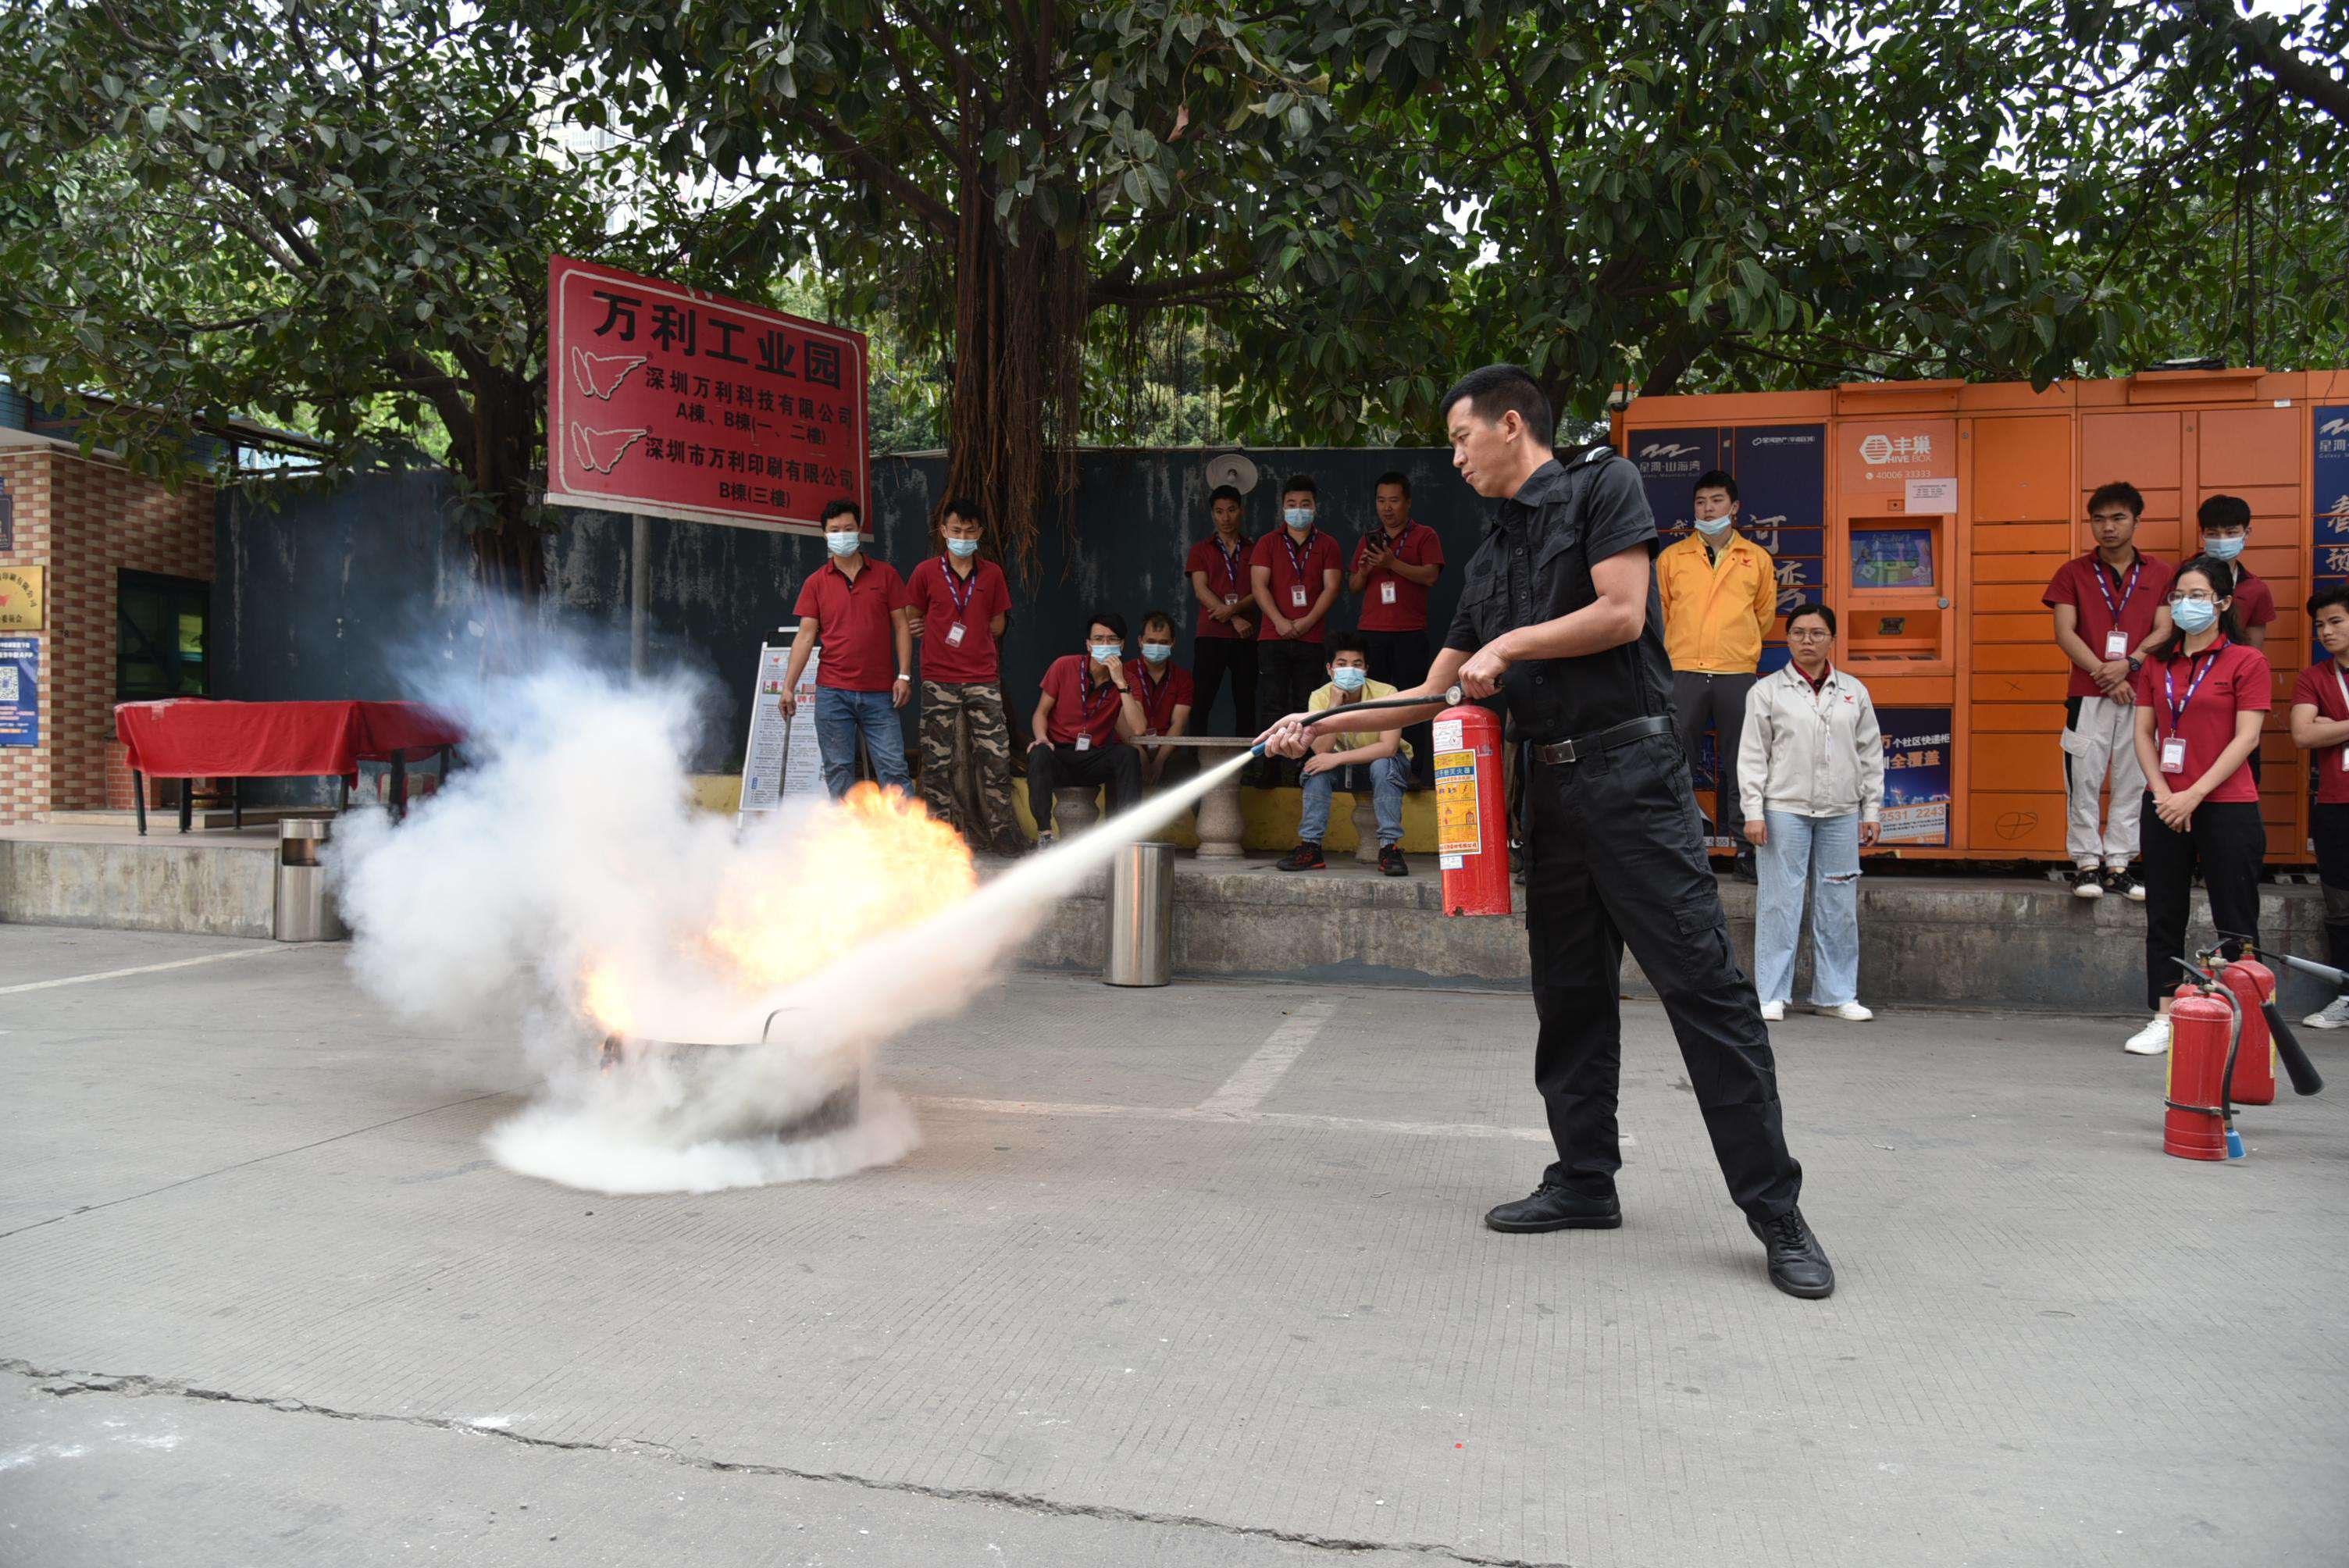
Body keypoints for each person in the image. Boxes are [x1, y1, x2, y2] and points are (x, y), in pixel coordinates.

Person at [1260, 363, 1830, 1300]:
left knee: (1704, 993)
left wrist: (1511, 645)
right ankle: (1582, 1179)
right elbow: (1430, 692)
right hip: (1551, 794)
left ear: (1511, 425)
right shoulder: (1490, 558)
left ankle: (1775, 1214)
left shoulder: (1601, 486)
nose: (1455, 458)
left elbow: (1617, 612)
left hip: (1634, 781)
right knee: (1567, 997)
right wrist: (1320, 725)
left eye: (1459, 440)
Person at [2123, 556, 2269, 1057]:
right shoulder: (2158, 662)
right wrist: (2164, 792)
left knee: (2236, 913)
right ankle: (2163, 1014)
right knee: (2165, 911)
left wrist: (2194, 793)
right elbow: (2143, 732)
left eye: (2199, 596)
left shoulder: (2246, 662)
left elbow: (2246, 738)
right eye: (2179, 596)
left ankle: (2238, 1015)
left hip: (2226, 803)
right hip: (2165, 803)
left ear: (2224, 603)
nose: (2187, 605)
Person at [1737, 603, 1884, 1024]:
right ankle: (1771, 993)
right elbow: (1752, 758)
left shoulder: (1854, 691)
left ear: (1832, 640)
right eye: (1799, 632)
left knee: (1837, 903)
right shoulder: (1766, 691)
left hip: (1840, 811)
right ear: (1787, 639)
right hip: (1784, 808)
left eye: (1817, 633)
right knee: (1779, 902)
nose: (1808, 641)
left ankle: (1837, 994)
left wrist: (1870, 809)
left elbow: (1870, 754)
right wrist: (1754, 811)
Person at [2044, 481, 2175, 901]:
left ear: (2137, 520)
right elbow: (2064, 632)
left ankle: (2119, 864)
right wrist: (2105, 672)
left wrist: (2131, 663)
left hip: (2142, 694)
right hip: (2088, 692)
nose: (2108, 527)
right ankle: (2085, 864)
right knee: (2082, 779)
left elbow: (2166, 627)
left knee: (2133, 778)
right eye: (2098, 519)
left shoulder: (2160, 572)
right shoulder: (2072, 572)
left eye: (2118, 518)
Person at [1656, 468, 1777, 881]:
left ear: (1735, 507)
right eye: (1701, 502)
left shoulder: (1755, 558)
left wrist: (1735, 650)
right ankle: (1681, 848)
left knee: (1743, 763)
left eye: (1717, 501)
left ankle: (1746, 849)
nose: (1708, 509)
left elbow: (1763, 618)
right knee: (1676, 761)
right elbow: (1663, 615)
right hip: (1683, 671)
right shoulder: (1672, 558)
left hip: (1737, 673)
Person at [905, 497, 1021, 854]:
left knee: (996, 755)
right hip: (939, 678)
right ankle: (938, 835)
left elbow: (999, 623)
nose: (962, 536)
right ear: (943, 532)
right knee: (936, 759)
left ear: (980, 534)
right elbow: (913, 614)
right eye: (956, 530)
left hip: (983, 679)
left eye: (970, 531)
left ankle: (1002, 830)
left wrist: (971, 634)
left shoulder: (992, 574)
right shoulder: (925, 572)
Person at [780, 498, 912, 799]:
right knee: (838, 770)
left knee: (893, 769)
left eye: (848, 528)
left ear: (859, 530)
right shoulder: (815, 583)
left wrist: (904, 676)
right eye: (835, 529)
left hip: (881, 692)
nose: (843, 534)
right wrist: (788, 687)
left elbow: (902, 626)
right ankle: (849, 840)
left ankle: (905, 842)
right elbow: (805, 636)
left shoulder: (885, 575)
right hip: (832, 692)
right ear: (825, 535)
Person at [1274, 632, 1411, 878]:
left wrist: (1336, 759)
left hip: (1383, 766)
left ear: (1366, 669)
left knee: (1382, 764)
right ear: (1330, 669)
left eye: (1357, 665)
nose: (1351, 670)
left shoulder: (1388, 693)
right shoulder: (1320, 697)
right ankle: (1310, 847)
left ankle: (1390, 848)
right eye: (1342, 664)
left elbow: (1388, 748)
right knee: (1315, 770)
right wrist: (1334, 706)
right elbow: (1321, 750)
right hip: (1341, 766)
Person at [1348, 470, 1445, 786]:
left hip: (1409, 632)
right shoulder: (1368, 538)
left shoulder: (1425, 535)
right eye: (1380, 500)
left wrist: (1392, 564)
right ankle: (1369, 770)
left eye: (1393, 500)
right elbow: (1353, 587)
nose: (1386, 508)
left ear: (1408, 502)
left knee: (1411, 703)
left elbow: (1431, 576)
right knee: (1371, 703)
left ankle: (1415, 772)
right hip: (1372, 630)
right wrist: (1364, 570)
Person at [1250, 475, 1343, 784]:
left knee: (1305, 705)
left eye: (1305, 504)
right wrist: (1278, 620)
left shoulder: (1328, 544)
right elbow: (1259, 585)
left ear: (1316, 507)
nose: (1298, 510)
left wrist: (1306, 622)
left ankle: (1297, 769)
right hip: (1271, 636)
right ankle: (1268, 768)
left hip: (1312, 637)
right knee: (1273, 703)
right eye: (1292, 505)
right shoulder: (1267, 543)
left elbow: (1331, 588)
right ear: (1282, 508)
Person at [1026, 611, 1146, 841]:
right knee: (1039, 752)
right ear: (1089, 645)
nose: (1105, 644)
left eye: (1112, 639)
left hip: (1093, 758)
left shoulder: (1128, 679)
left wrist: (1121, 684)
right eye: (1099, 639)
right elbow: (1040, 713)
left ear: (1122, 645)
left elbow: (1138, 729)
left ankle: (1128, 835)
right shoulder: (1064, 666)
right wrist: (1042, 737)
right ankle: (1045, 833)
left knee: (1128, 755)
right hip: (1059, 754)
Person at [2288, 585, 2349, 1028]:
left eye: (2335, 622)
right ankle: (2347, 995)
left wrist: (2337, 725)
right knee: (2341, 905)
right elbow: (2304, 735)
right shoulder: (2315, 678)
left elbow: (2320, 730)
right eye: (2320, 625)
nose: (2325, 632)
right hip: (2335, 804)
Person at [1185, 483, 1258, 739]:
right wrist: (1234, 617)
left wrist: (1235, 610)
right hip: (1211, 635)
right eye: (1219, 511)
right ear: (1212, 514)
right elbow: (1200, 590)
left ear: (1241, 511)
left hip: (1247, 636)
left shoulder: (1255, 549)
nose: (1225, 518)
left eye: (1231, 510)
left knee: (1246, 702)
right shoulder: (1200, 549)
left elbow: (1261, 590)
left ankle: (1248, 763)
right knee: (1202, 700)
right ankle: (1193, 761)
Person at [2194, 495, 2273, 650]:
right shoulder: (2178, 576)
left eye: (2231, 533)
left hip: (2231, 670)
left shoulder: (2256, 589)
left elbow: (2254, 650)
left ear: (2247, 533)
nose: (2222, 540)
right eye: (2213, 533)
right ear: (2202, 534)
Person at [1132, 611, 1197, 791]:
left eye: (1163, 642)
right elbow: (1122, 724)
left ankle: (1197, 820)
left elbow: (1179, 723)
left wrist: (1159, 762)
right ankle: (1118, 819)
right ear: (1140, 641)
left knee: (1190, 768)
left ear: (1172, 643)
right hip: (1131, 749)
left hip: (1167, 753)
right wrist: (1142, 758)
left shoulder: (1183, 678)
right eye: (1151, 641)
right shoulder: (1125, 673)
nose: (1156, 647)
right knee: (1123, 762)